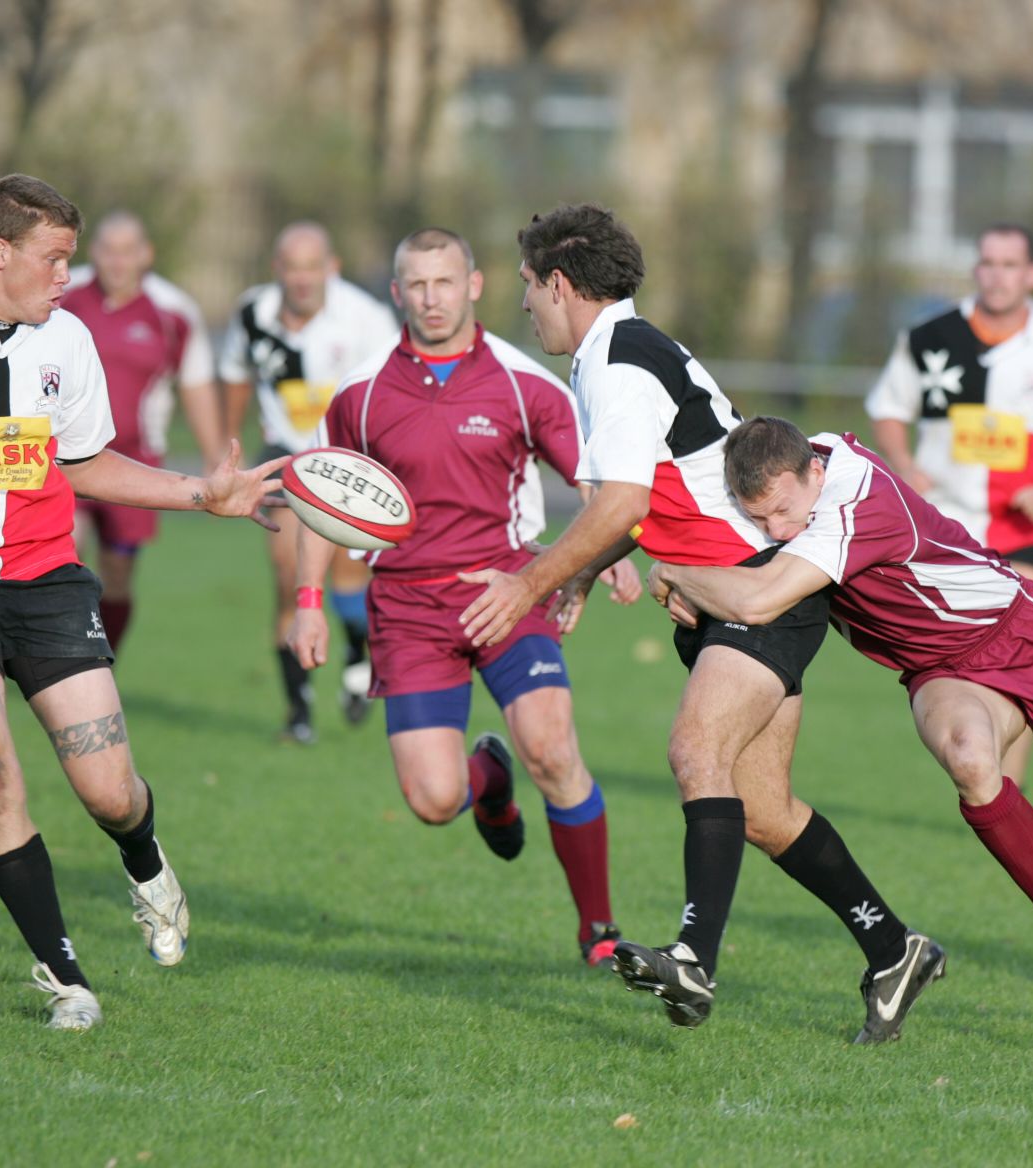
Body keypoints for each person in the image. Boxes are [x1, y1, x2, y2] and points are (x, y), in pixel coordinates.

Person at [459, 204, 942, 1043]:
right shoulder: (616, 352)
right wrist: (587, 571)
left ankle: (693, 959)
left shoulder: (616, 362)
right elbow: (644, 495)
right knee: (761, 808)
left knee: (694, 751)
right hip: (729, 588)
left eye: (529, 286)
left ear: (561, 285)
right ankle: (893, 948)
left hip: (758, 588)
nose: (525, 303)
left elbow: (623, 503)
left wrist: (532, 582)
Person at [649, 417, 1033, 1023]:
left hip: (1024, 638)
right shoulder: (798, 464)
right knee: (970, 758)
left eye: (783, 512)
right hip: (940, 667)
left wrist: (673, 569)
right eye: (760, 519)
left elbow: (758, 600)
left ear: (815, 471)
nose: (776, 530)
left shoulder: (853, 502)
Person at [0, 174, 286, 1030]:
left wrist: (201, 494)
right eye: (55, 258)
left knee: (109, 794)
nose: (70, 277)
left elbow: (86, 462)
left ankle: (145, 860)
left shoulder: (65, 338)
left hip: (45, 579)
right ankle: (66, 977)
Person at [288, 227, 638, 966]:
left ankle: (599, 931)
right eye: (417, 285)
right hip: (407, 609)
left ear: (474, 285)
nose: (432, 298)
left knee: (553, 747)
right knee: (433, 800)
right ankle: (490, 782)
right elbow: (320, 499)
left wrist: (605, 560)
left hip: (506, 590)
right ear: (397, 293)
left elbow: (594, 483)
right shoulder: (360, 391)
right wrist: (309, 600)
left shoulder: (523, 382)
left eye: (445, 282)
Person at [866, 223, 1033, 783]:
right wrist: (903, 462)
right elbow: (888, 408)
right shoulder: (929, 337)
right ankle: (978, 767)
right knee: (955, 665)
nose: (996, 275)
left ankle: (1009, 787)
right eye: (987, 263)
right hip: (945, 528)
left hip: (1025, 529)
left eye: (1009, 265)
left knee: (1024, 653)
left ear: (1032, 275)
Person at [220, 222, 397, 742]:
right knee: (289, 573)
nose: (302, 279)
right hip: (285, 456)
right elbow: (235, 372)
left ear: (331, 269)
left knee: (346, 578)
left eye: (312, 267)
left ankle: (357, 652)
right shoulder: (254, 312)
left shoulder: (367, 320)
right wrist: (229, 443)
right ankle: (298, 714)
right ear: (277, 269)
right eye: (292, 267)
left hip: (349, 460)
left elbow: (392, 391)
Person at [62, 211, 223, 651]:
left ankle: (100, 662)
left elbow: (195, 385)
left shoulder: (173, 312)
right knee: (66, 554)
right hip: (65, 457)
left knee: (117, 577)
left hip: (136, 461)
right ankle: (57, 660)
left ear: (146, 255)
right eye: (108, 251)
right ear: (93, 252)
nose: (117, 262)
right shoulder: (64, 295)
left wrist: (214, 455)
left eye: (127, 252)